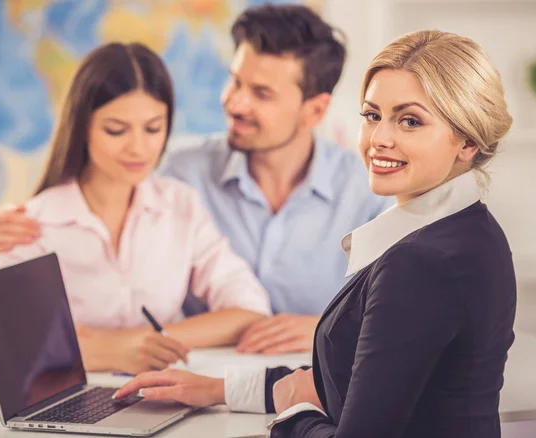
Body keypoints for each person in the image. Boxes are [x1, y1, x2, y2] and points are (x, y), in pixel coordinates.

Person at [112, 30, 517, 438]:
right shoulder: (475, 229)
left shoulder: (420, 263)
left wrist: (295, 413)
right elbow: (364, 382)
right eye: (372, 115)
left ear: (466, 141)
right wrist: (221, 389)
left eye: (409, 121)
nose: (380, 139)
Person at [0, 3, 392, 355]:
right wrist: (15, 221)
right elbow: (97, 187)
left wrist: (326, 326)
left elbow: (407, 305)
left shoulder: (369, 190)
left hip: (317, 378)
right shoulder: (180, 172)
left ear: (314, 111)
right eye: (235, 81)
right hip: (203, 382)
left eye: (261, 93)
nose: (235, 102)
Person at [0, 42, 272, 375]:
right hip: (71, 403)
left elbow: (250, 307)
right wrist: (103, 353)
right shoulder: (37, 222)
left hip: (157, 393)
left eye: (153, 128)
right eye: (116, 130)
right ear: (82, 127)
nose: (138, 147)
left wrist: (139, 341)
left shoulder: (179, 204)